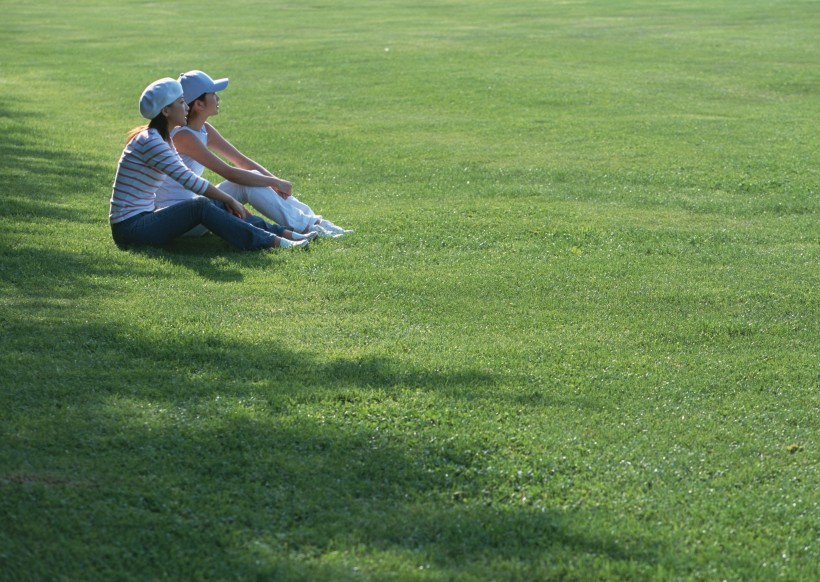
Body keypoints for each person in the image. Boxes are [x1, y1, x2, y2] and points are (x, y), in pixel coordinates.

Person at [110, 77, 314, 250]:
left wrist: (226, 200)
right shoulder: (151, 141)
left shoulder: (160, 138)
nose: (187, 107)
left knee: (210, 203)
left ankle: (287, 234)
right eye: (181, 103)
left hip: (143, 220)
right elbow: (190, 181)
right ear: (165, 111)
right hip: (130, 229)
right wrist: (230, 199)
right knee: (200, 205)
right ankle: (274, 242)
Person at [154, 70, 352, 238]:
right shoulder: (182, 137)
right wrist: (273, 182)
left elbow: (242, 161)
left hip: (197, 206)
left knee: (257, 178)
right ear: (198, 104)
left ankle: (316, 221)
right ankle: (307, 226)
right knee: (252, 181)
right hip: (184, 219)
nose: (218, 98)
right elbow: (230, 173)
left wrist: (275, 181)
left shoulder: (204, 129)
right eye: (213, 94)